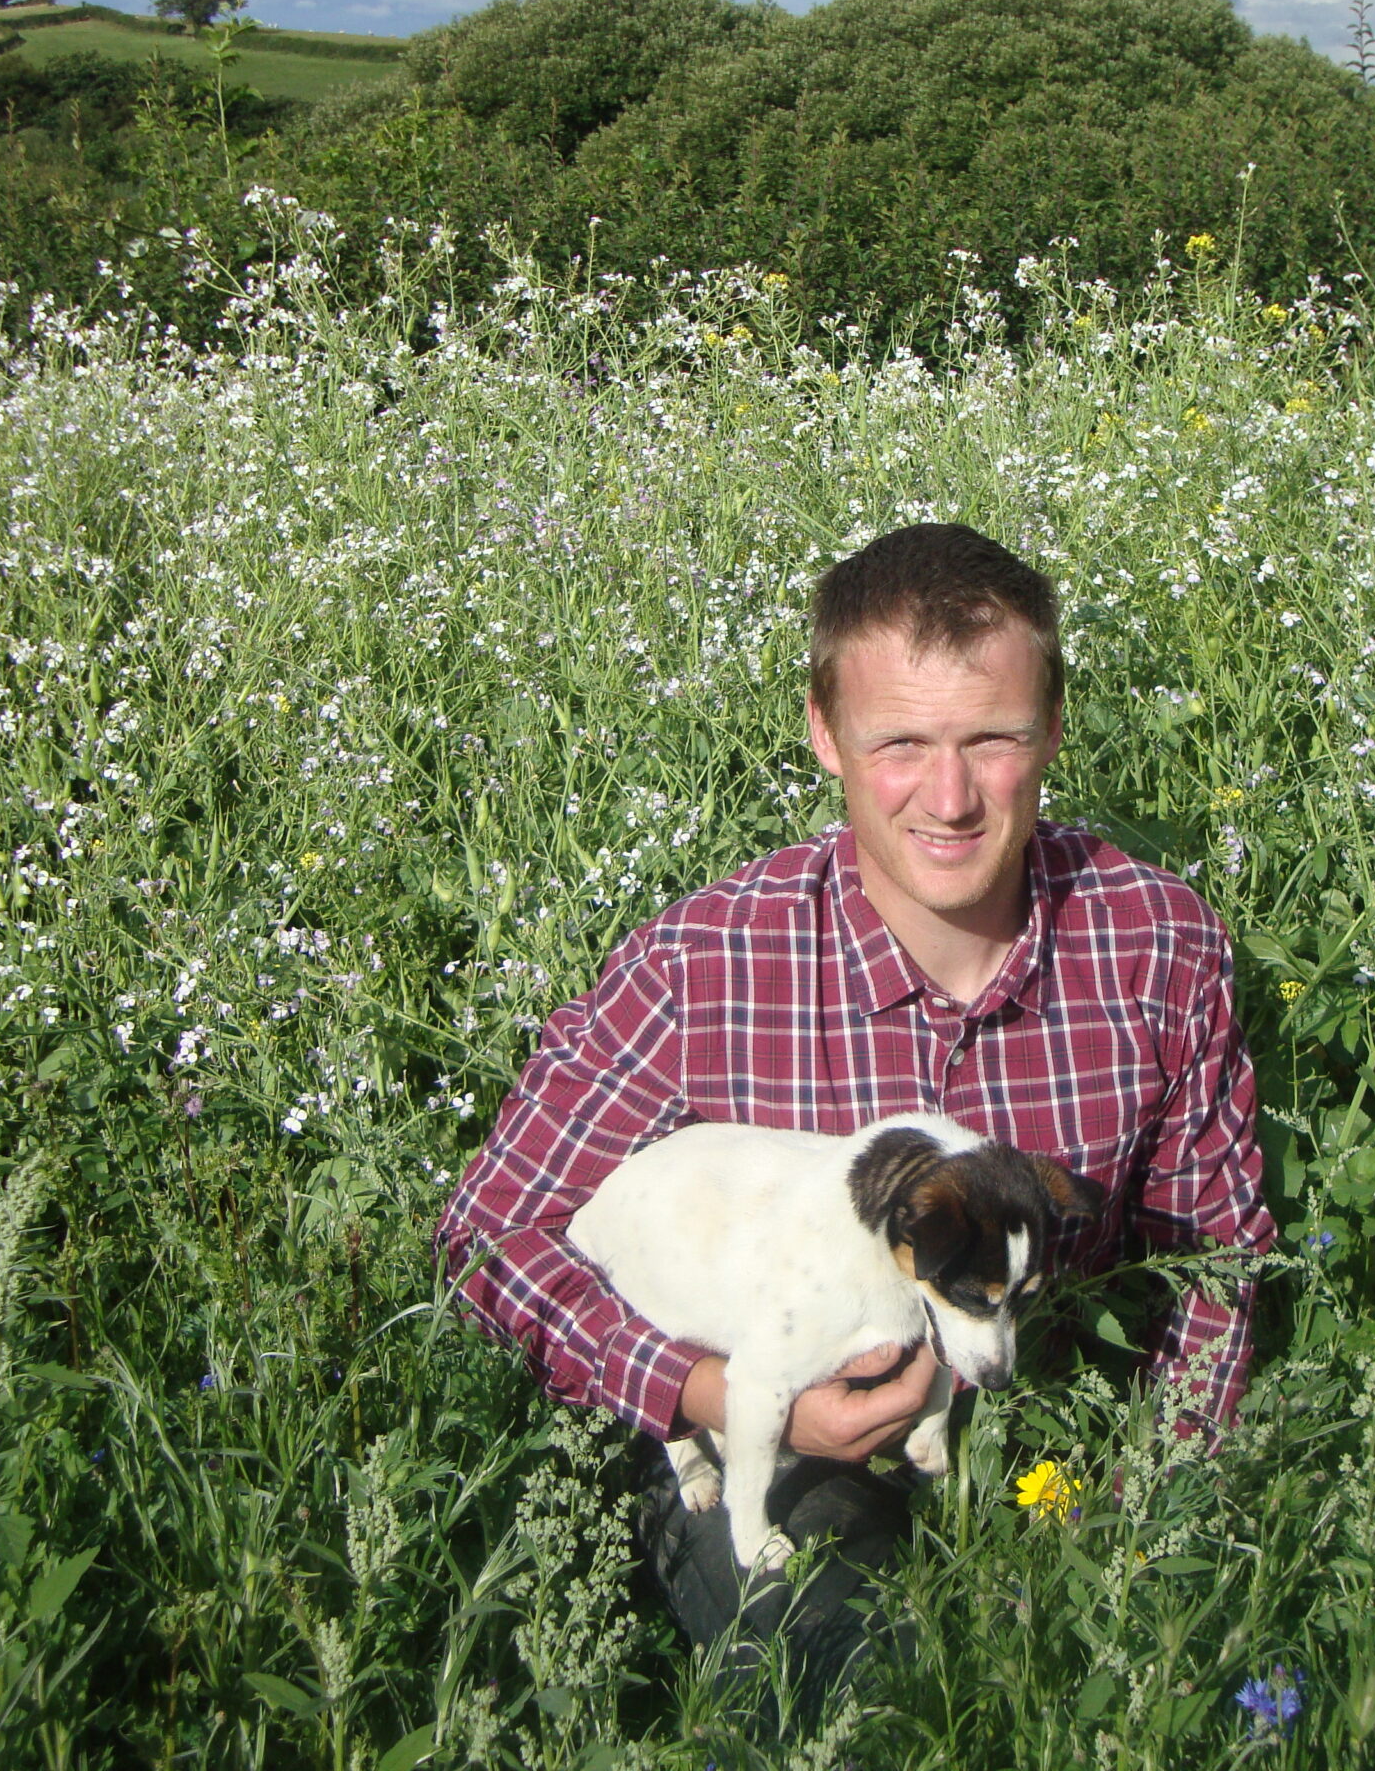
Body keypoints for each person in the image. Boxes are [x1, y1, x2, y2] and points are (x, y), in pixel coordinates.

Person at [435, 522, 1273, 1694]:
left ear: (1053, 731)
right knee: (865, 1692)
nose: (949, 795)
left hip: (1048, 1436)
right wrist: (716, 1393)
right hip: (768, 1465)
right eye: (901, 744)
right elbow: (485, 1242)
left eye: (993, 740)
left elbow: (1217, 1264)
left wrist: (1149, 1503)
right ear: (824, 734)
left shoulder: (1154, 943)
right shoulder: (703, 965)